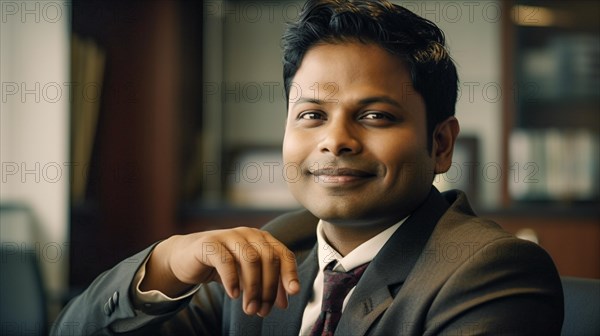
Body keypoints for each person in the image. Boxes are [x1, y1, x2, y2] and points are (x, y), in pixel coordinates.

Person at [51, 0, 563, 335]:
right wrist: (168, 262)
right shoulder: (278, 248)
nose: (335, 140)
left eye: (376, 116)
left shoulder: (491, 269)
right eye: (312, 115)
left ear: (440, 144)